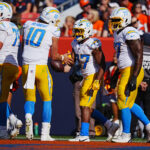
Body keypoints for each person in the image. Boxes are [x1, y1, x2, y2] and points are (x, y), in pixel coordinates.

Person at [22, 7, 73, 141]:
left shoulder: (27, 24)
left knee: (30, 97)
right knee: (47, 99)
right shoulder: (53, 30)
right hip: (41, 67)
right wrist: (64, 58)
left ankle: (28, 117)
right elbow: (55, 56)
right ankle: (45, 134)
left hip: (26, 66)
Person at [65, 19, 119, 142]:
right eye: (76, 31)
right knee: (87, 107)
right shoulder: (75, 43)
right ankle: (109, 125)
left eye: (80, 31)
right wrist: (66, 59)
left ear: (87, 31)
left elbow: (102, 65)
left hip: (93, 76)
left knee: (84, 105)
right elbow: (73, 60)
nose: (77, 34)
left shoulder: (93, 44)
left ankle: (84, 134)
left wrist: (97, 81)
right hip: (84, 76)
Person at [109, 7, 150, 143]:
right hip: (125, 69)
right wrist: (115, 76)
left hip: (132, 69)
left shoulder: (129, 31)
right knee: (129, 102)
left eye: (117, 20)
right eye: (113, 20)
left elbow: (139, 55)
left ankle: (126, 134)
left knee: (123, 98)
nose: (114, 23)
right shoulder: (117, 32)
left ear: (125, 20)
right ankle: (149, 126)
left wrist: (134, 76)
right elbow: (121, 56)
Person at [0, 2, 22, 139]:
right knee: (3, 98)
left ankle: (8, 124)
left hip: (3, 65)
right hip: (14, 66)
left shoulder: (2, 26)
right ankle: (10, 122)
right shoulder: (14, 26)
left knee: (2, 99)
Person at [69, 61, 96, 138]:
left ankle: (90, 131)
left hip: (90, 79)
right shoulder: (75, 49)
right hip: (78, 79)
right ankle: (79, 130)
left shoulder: (93, 49)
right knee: (78, 109)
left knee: (90, 108)